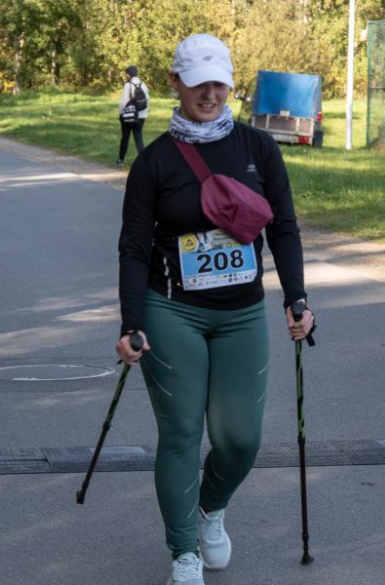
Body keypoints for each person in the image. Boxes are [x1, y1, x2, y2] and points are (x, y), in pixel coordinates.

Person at [116, 34, 315, 585]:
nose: (209, 92)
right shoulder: (154, 163)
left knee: (240, 439)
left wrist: (297, 297)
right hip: (171, 311)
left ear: (232, 83)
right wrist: (132, 322)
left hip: (242, 313)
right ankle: (183, 550)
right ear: (175, 83)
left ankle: (208, 507)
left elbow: (284, 229)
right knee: (180, 433)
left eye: (219, 81)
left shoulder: (259, 150)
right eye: (198, 81)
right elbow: (133, 248)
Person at [116, 65, 150, 165]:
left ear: (128, 74)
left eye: (126, 74)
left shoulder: (128, 85)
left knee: (125, 138)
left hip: (128, 116)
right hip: (141, 116)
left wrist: (120, 112)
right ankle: (145, 162)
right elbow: (146, 101)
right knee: (138, 139)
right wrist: (143, 114)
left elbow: (123, 102)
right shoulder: (143, 85)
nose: (125, 76)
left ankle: (121, 160)